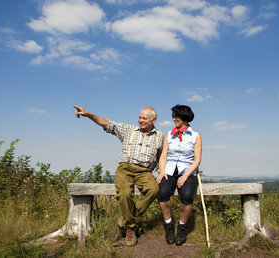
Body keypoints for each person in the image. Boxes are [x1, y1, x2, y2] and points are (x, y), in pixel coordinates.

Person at [73, 105, 164, 247]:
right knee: (124, 194)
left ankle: (127, 216)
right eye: (140, 117)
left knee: (153, 190)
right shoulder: (129, 130)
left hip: (145, 171)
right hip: (125, 168)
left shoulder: (160, 137)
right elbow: (107, 123)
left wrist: (164, 172)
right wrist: (88, 114)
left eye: (144, 118)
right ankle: (130, 228)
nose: (140, 120)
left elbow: (163, 158)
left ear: (154, 120)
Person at [156, 105, 202, 246]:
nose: (174, 119)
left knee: (187, 197)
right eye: (173, 116)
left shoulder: (196, 136)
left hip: (188, 171)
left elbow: (197, 160)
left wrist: (185, 176)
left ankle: (182, 227)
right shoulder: (169, 135)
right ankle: (169, 225)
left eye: (176, 116)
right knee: (162, 193)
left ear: (184, 118)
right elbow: (164, 155)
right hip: (169, 170)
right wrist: (162, 171)